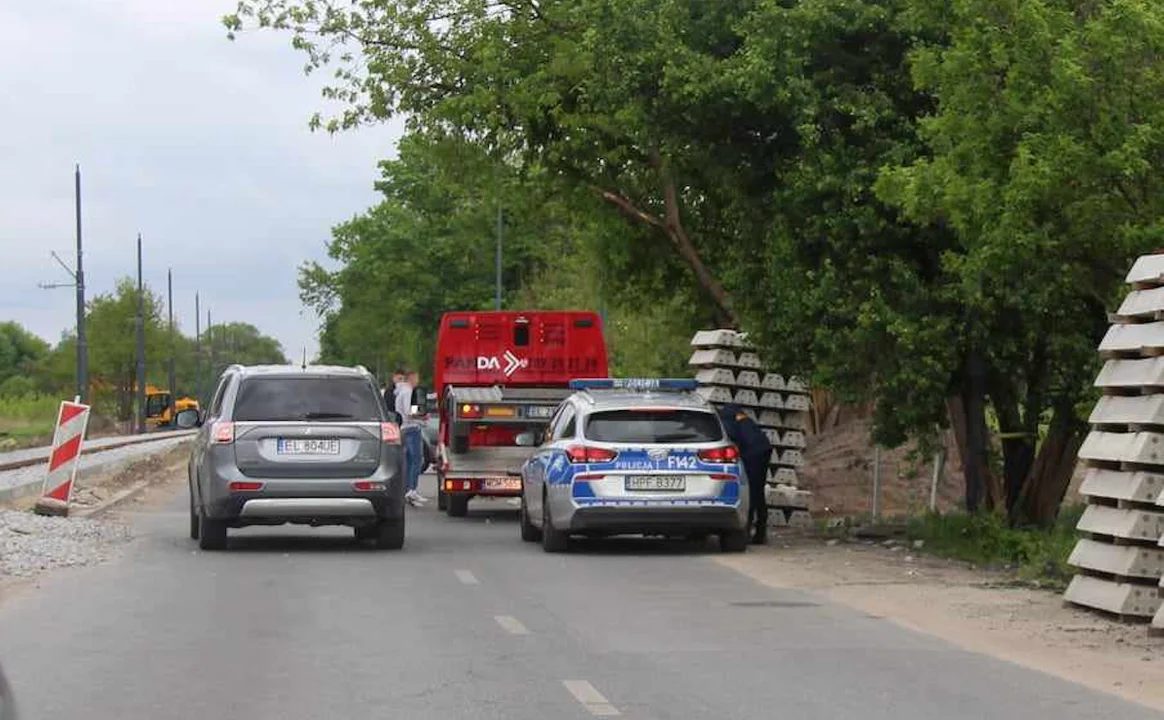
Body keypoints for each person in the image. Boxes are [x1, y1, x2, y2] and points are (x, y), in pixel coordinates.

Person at [716, 403, 772, 545]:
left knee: (751, 492)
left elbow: (733, 438)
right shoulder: (739, 415)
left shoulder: (725, 418)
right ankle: (760, 532)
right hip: (763, 448)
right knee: (758, 491)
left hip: (752, 453)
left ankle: (747, 532)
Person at [395, 369, 427, 506]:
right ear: (411, 378)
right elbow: (409, 412)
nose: (417, 381)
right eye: (416, 378)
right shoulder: (408, 392)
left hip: (404, 428)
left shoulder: (400, 392)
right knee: (417, 460)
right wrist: (422, 415)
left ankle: (408, 490)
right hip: (413, 428)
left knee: (408, 461)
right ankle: (412, 490)